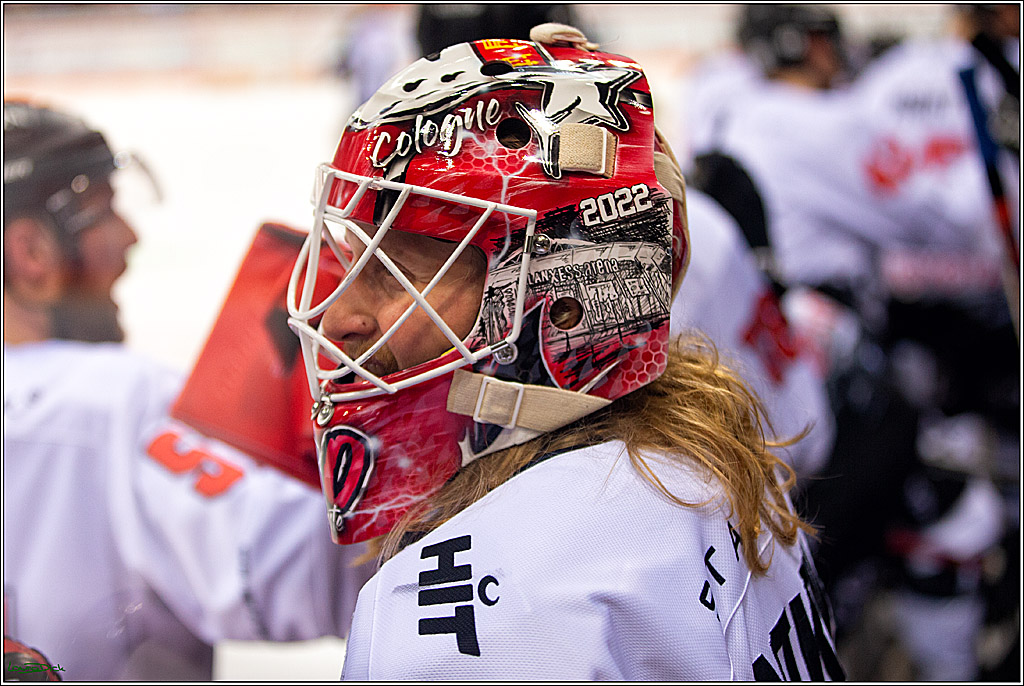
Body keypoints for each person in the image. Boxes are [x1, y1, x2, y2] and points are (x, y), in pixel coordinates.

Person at [285, 24, 844, 680]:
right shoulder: (715, 465)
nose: (337, 315)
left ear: (560, 300)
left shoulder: (477, 622)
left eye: (395, 275)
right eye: (358, 260)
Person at [2, 99, 374, 680]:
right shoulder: (110, 405)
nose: (128, 235)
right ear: (30, 253)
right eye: (102, 212)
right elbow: (326, 570)